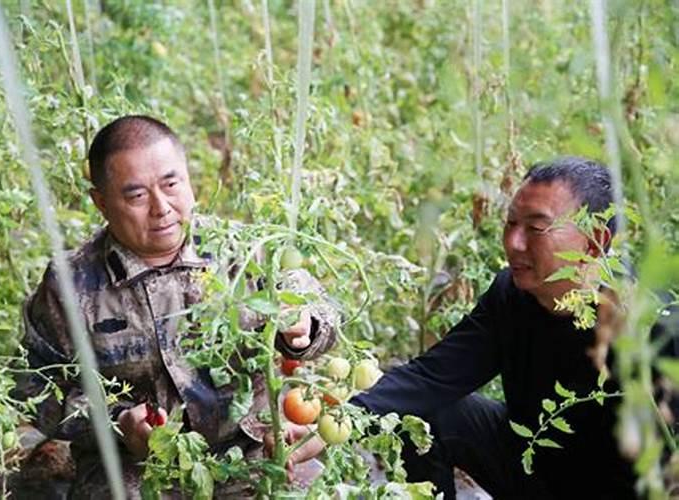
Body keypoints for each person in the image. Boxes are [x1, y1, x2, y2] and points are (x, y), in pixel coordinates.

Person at [282, 157, 677, 499]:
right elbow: (433, 376)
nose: (514, 242)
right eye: (510, 223)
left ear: (595, 242)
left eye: (536, 228)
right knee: (422, 413)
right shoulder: (512, 295)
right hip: (532, 468)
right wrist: (344, 421)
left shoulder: (651, 323)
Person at [16, 115, 338, 498]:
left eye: (172, 184)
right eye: (137, 196)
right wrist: (116, 423)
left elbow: (318, 307)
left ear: (189, 179)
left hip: (251, 448)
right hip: (136, 467)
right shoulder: (71, 284)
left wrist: (303, 330)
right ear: (100, 202)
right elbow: (32, 385)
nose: (161, 207)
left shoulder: (243, 251)